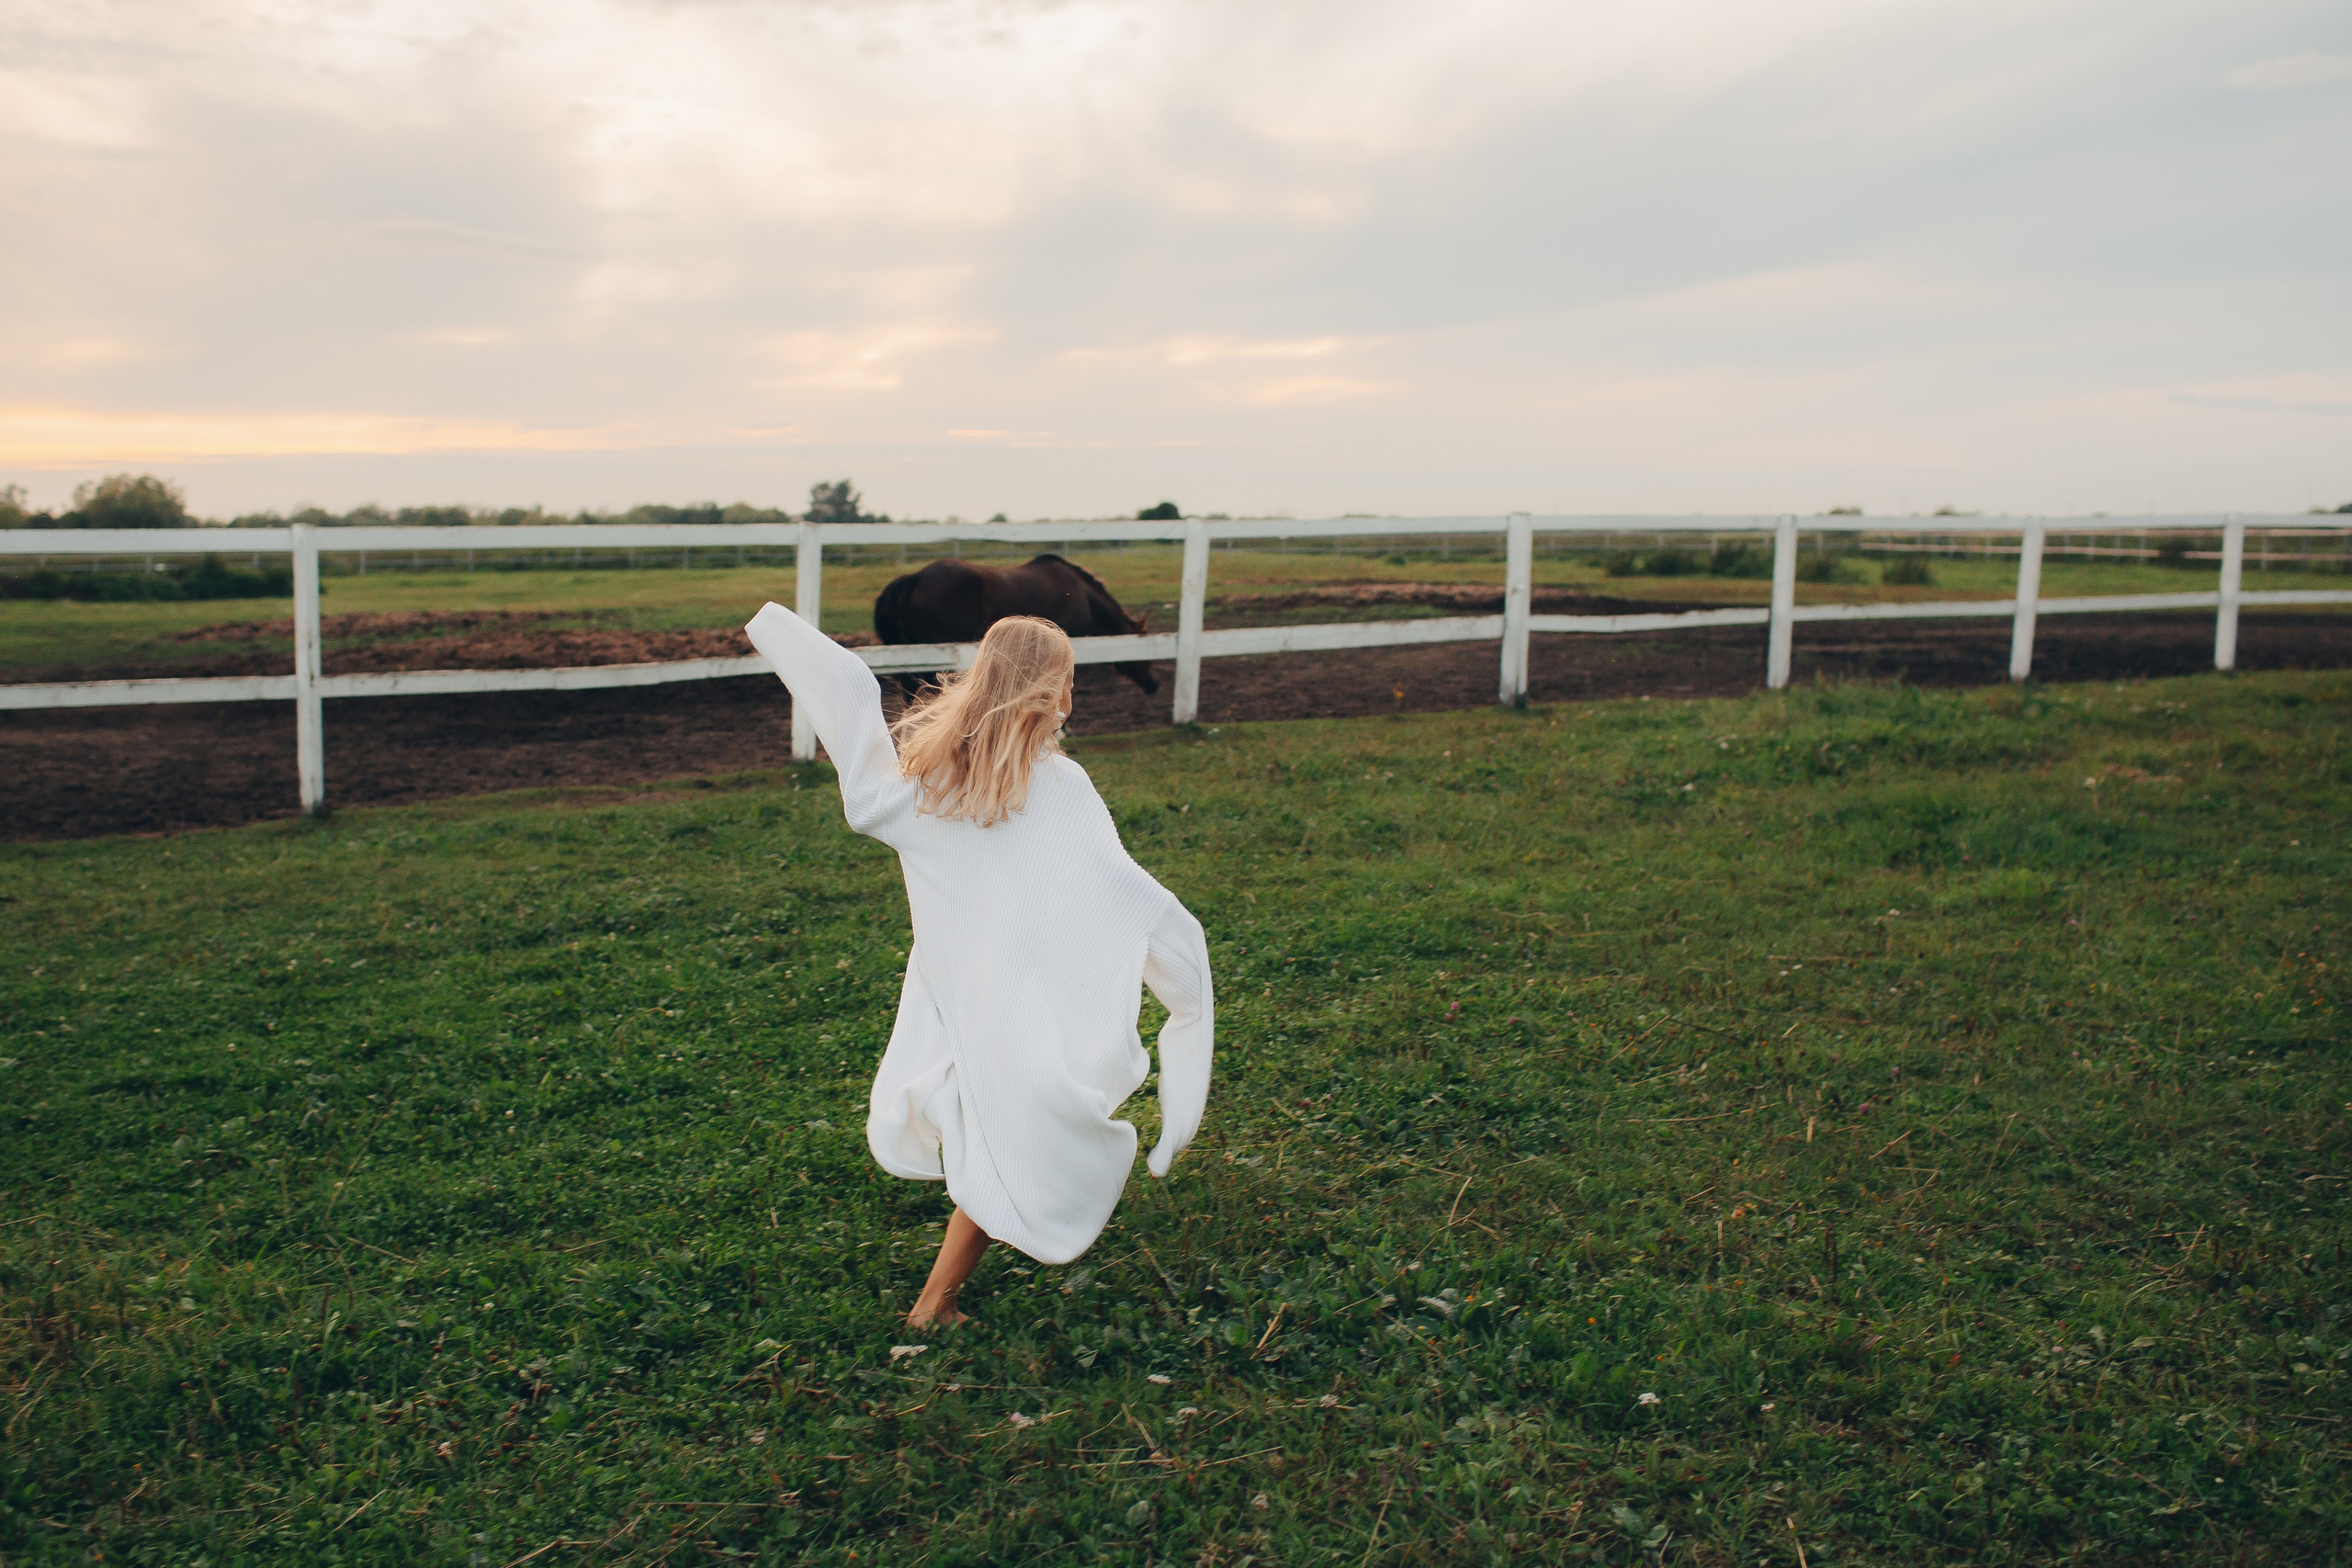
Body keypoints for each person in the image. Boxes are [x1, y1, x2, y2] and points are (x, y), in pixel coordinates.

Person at [744, 604, 1215, 1327]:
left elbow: (854, 725)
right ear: (1051, 692)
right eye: (1069, 683)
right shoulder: (1062, 787)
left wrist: (789, 636)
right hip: (1013, 1001)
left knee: (998, 1117)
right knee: (1021, 1130)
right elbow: (1126, 893)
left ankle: (939, 1294)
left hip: (958, 996)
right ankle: (935, 1300)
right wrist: (1184, 982)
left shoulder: (923, 787)